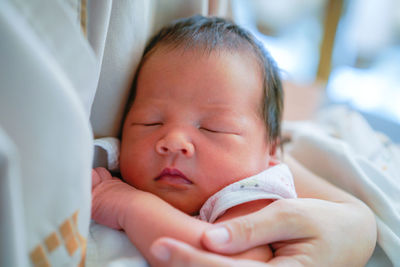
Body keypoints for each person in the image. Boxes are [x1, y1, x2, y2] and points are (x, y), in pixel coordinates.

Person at [91, 15, 377, 266]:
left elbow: (231, 257)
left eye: (214, 128)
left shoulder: (250, 190)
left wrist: (131, 207)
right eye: (150, 122)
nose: (174, 140)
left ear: (271, 151)